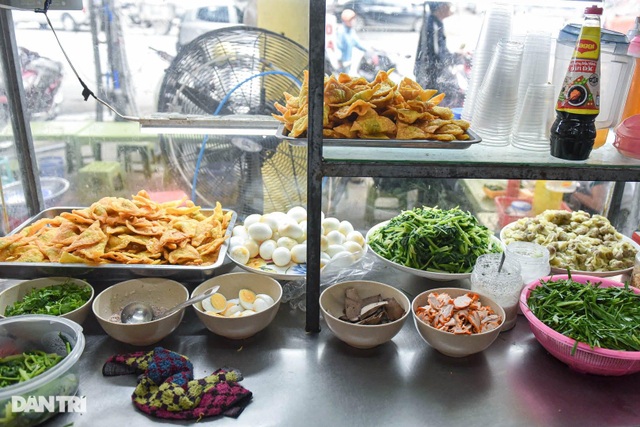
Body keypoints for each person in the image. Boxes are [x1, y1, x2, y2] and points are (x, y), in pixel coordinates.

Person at [414, 2, 459, 104]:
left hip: (433, 71)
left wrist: (454, 55)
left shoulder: (437, 22)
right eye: (448, 6)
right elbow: (437, 53)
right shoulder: (432, 24)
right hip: (430, 72)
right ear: (441, 7)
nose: (450, 9)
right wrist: (454, 58)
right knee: (430, 102)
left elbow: (441, 48)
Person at [336, 9, 368, 74]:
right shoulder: (341, 32)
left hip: (348, 62)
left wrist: (368, 49)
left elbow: (358, 43)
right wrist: (339, 61)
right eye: (351, 19)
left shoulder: (351, 31)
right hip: (342, 63)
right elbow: (338, 47)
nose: (354, 21)